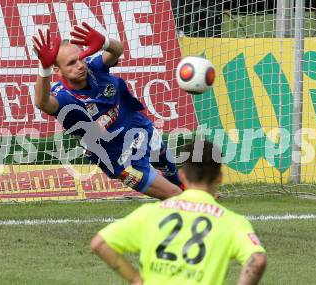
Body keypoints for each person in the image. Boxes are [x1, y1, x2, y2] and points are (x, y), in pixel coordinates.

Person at [32, 24, 183, 200]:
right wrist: (43, 69)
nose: (80, 65)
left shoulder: (94, 68)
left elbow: (117, 51)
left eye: (80, 58)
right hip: (118, 159)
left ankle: (184, 186)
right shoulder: (64, 99)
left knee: (167, 163)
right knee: (175, 196)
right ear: (57, 70)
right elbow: (42, 103)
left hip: (138, 128)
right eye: (72, 63)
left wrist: (105, 42)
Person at [91, 140, 267, 285]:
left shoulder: (150, 213)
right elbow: (257, 260)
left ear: (182, 176)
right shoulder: (232, 222)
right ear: (220, 178)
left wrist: (136, 279)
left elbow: (100, 243)